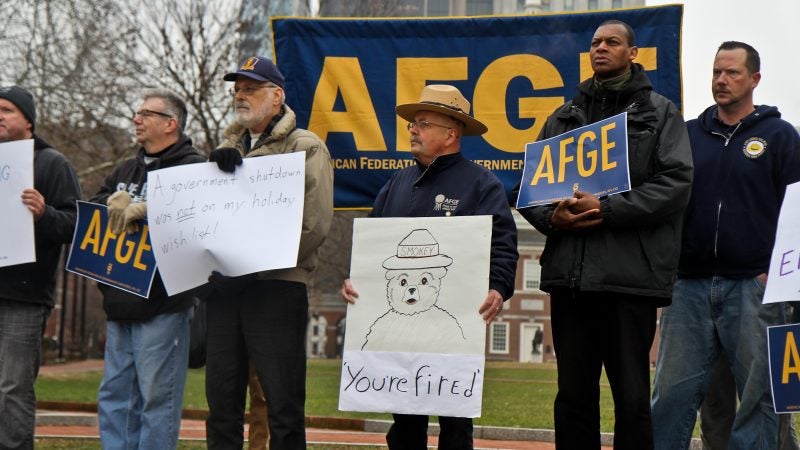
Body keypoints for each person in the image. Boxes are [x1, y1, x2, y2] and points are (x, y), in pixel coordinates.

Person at [517, 20, 693, 449]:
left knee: (632, 398)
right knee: (573, 397)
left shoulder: (660, 113)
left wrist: (608, 208)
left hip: (629, 279)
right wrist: (551, 219)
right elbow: (530, 190)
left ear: (633, 53)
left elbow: (676, 183)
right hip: (570, 280)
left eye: (612, 42)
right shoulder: (563, 116)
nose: (601, 48)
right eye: (595, 42)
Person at [341, 84, 519, 449]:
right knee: (405, 425)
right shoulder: (395, 184)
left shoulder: (481, 184)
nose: (412, 130)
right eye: (412, 124)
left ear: (451, 133)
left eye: (422, 123)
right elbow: (373, 247)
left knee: (455, 427)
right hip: (399, 329)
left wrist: (499, 288)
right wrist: (355, 279)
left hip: (455, 327)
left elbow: (503, 247)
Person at [651, 41, 800, 450]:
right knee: (670, 396)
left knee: (760, 399)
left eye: (732, 72)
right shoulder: (687, 136)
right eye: (717, 71)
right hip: (688, 288)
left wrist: (779, 272)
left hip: (754, 288)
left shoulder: (781, 136)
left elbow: (797, 210)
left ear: (754, 79)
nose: (721, 80)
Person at [205, 55, 333, 449]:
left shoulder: (304, 146)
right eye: (237, 89)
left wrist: (252, 265)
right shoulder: (225, 150)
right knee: (222, 402)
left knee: (282, 403)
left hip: (277, 287)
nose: (240, 96)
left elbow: (313, 224)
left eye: (251, 89)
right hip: (226, 290)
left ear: (277, 97)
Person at [93, 89, 206, 449]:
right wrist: (109, 202)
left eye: (146, 113)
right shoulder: (126, 168)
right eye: (137, 112)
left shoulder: (194, 168)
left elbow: (199, 220)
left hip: (163, 303)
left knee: (157, 399)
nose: (136, 119)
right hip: (119, 298)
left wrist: (148, 207)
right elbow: (93, 210)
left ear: (170, 124)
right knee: (114, 394)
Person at [0, 85, 81, 449]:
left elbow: (75, 225)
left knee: (12, 386)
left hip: (25, 296)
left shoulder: (52, 163)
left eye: (7, 110)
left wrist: (43, 213)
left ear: (28, 121)